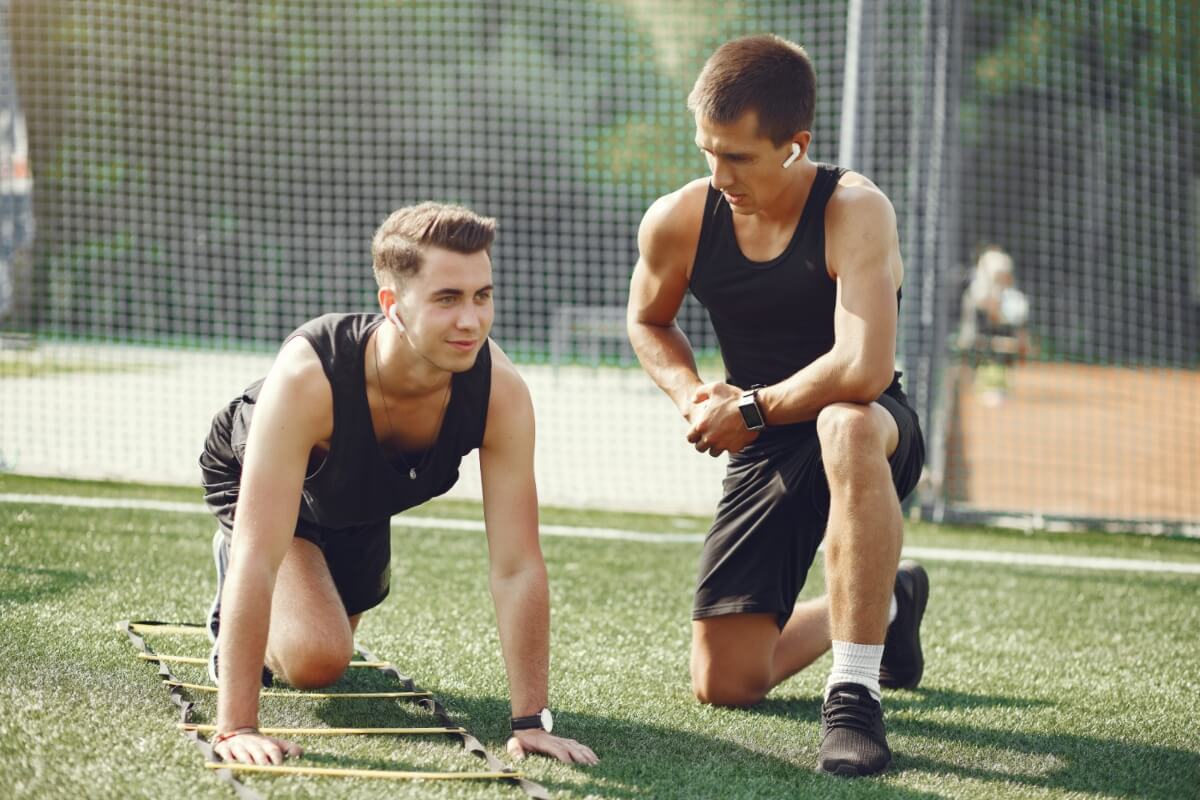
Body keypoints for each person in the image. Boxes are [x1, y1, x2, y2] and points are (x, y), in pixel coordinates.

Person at [199, 202, 598, 768]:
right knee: (318, 660)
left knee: (328, 634)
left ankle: (307, 587)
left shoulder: (500, 393)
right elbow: (260, 557)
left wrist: (530, 721)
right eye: (447, 299)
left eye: (482, 295)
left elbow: (517, 565)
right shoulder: (309, 377)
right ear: (393, 305)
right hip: (258, 472)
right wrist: (235, 726)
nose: (471, 320)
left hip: (362, 494)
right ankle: (226, 595)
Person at [626, 35, 928, 777]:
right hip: (765, 438)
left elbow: (863, 367)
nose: (718, 173)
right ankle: (885, 603)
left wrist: (753, 408)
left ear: (796, 147)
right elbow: (648, 320)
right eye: (708, 151)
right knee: (725, 682)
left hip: (874, 426)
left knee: (845, 422)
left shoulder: (854, 211)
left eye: (739, 157)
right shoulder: (679, 220)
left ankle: (854, 695)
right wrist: (694, 393)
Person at [956, 245, 1031, 405]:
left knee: (1009, 343)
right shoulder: (978, 290)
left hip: (998, 321)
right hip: (982, 322)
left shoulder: (1013, 297)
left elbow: (1018, 325)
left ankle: (998, 383)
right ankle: (972, 380)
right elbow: (985, 305)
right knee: (970, 341)